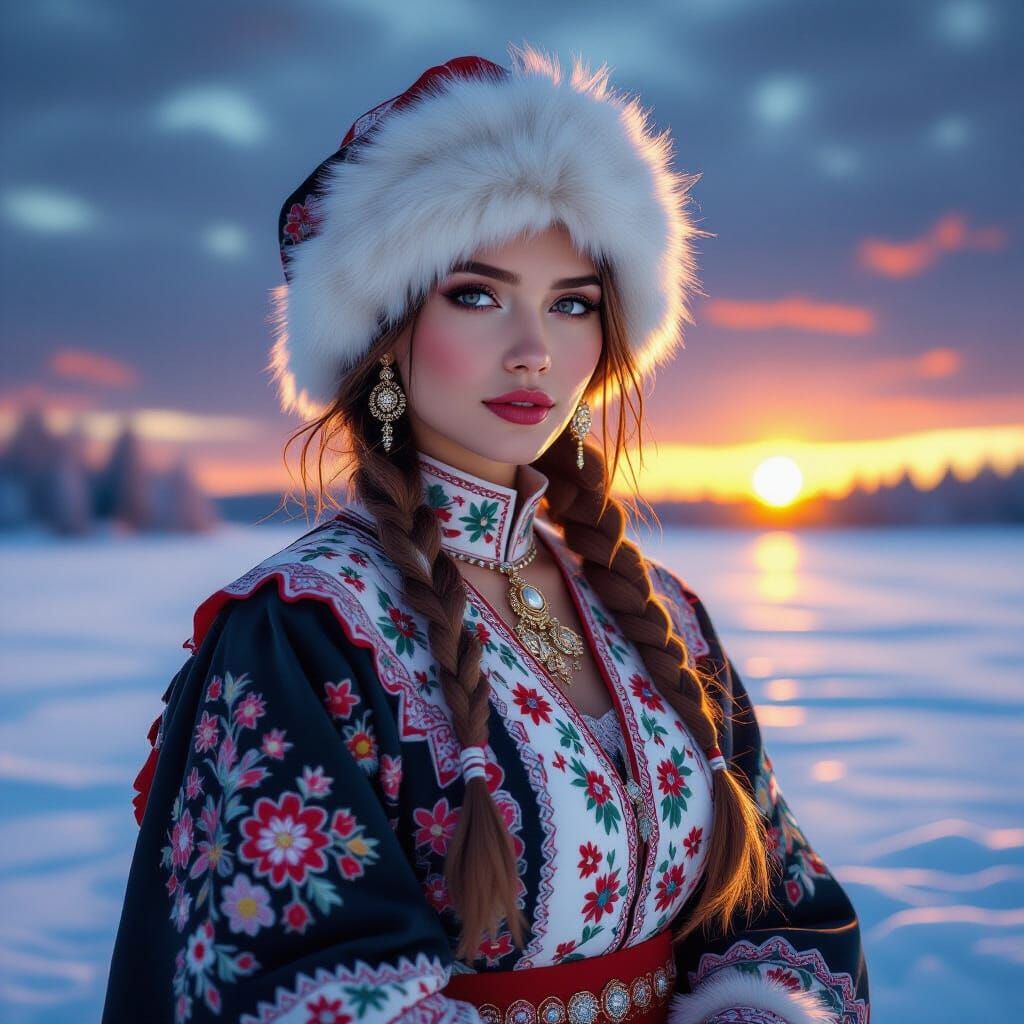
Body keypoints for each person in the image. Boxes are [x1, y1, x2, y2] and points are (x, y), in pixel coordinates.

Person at [102, 44, 869, 1024]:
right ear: (382, 328)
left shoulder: (660, 613)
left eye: (572, 303)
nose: (532, 350)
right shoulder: (299, 631)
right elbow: (284, 981)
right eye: (476, 293)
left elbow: (781, 906)